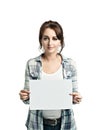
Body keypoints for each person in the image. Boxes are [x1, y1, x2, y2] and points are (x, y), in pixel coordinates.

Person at [19, 20, 82, 130]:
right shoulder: (32, 64)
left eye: (54, 38)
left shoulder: (70, 64)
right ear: (41, 41)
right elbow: (28, 99)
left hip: (64, 124)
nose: (50, 43)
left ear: (60, 41)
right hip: (37, 124)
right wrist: (24, 96)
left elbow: (73, 96)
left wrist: (76, 98)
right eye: (46, 38)